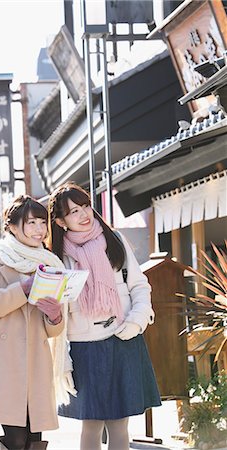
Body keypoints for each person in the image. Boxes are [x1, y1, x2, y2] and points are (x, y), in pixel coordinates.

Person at [47, 182, 161, 450]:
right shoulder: (57, 258)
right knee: (92, 425)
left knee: (120, 425)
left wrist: (136, 321)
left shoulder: (114, 240)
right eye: (73, 211)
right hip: (85, 348)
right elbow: (56, 309)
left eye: (85, 205)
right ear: (61, 222)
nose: (83, 214)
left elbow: (139, 286)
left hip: (124, 339)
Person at [0, 194, 66, 450]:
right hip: (5, 362)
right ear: (12, 227)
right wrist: (22, 289)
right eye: (31, 223)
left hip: (36, 362)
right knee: (15, 439)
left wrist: (55, 314)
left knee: (35, 440)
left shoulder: (51, 264)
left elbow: (53, 329)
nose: (39, 230)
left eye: (42, 223)